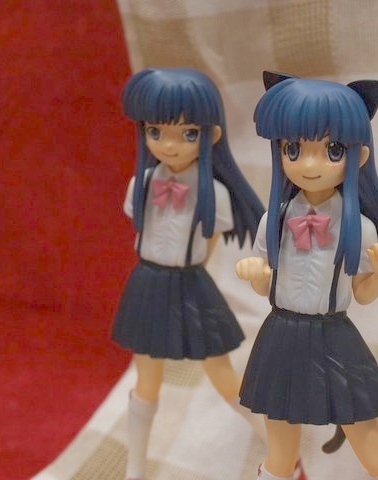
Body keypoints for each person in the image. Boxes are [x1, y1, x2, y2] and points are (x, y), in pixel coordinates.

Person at [237, 72, 378, 480]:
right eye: (293, 148)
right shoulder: (274, 221)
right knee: (280, 451)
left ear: (359, 156)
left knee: (369, 444)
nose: (309, 164)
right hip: (281, 334)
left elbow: (362, 294)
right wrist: (256, 275)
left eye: (332, 149)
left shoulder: (360, 228)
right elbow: (268, 283)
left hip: (335, 336)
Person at [112, 68, 265, 480]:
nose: (169, 144)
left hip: (191, 285)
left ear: (211, 135)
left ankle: (278, 447)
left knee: (223, 377)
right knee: (145, 382)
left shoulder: (214, 194)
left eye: (188, 133)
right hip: (147, 283)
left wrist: (188, 269)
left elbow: (208, 245)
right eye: (156, 131)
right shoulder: (142, 184)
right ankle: (135, 469)